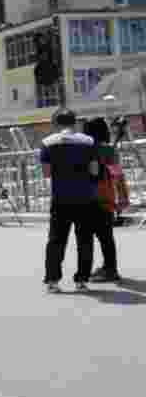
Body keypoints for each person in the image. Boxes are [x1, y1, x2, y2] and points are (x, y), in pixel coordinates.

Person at [40, 108, 101, 293]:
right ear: (75, 122)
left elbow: (47, 172)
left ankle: (52, 281)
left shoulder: (47, 143)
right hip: (85, 198)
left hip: (61, 198)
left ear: (56, 123)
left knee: (56, 240)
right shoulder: (89, 141)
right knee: (85, 240)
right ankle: (82, 280)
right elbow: (95, 170)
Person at [82, 117, 124, 282]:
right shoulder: (110, 150)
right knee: (106, 235)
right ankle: (110, 267)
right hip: (108, 194)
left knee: (89, 236)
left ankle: (106, 269)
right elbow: (116, 173)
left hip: (92, 195)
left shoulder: (86, 150)